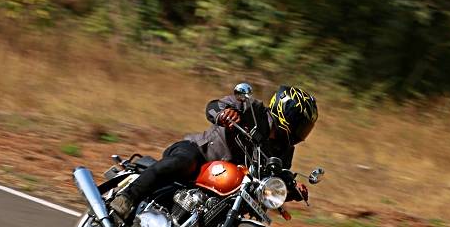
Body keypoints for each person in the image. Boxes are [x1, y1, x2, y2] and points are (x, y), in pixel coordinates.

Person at [109, 83, 318, 219]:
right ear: (284, 111)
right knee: (182, 162)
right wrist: (223, 114)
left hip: (230, 185)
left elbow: (275, 176)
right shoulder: (252, 109)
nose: (302, 130)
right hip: (202, 155)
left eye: (306, 126)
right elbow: (213, 106)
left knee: (236, 213)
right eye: (300, 122)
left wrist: (290, 188)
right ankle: (128, 196)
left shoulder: (284, 149)